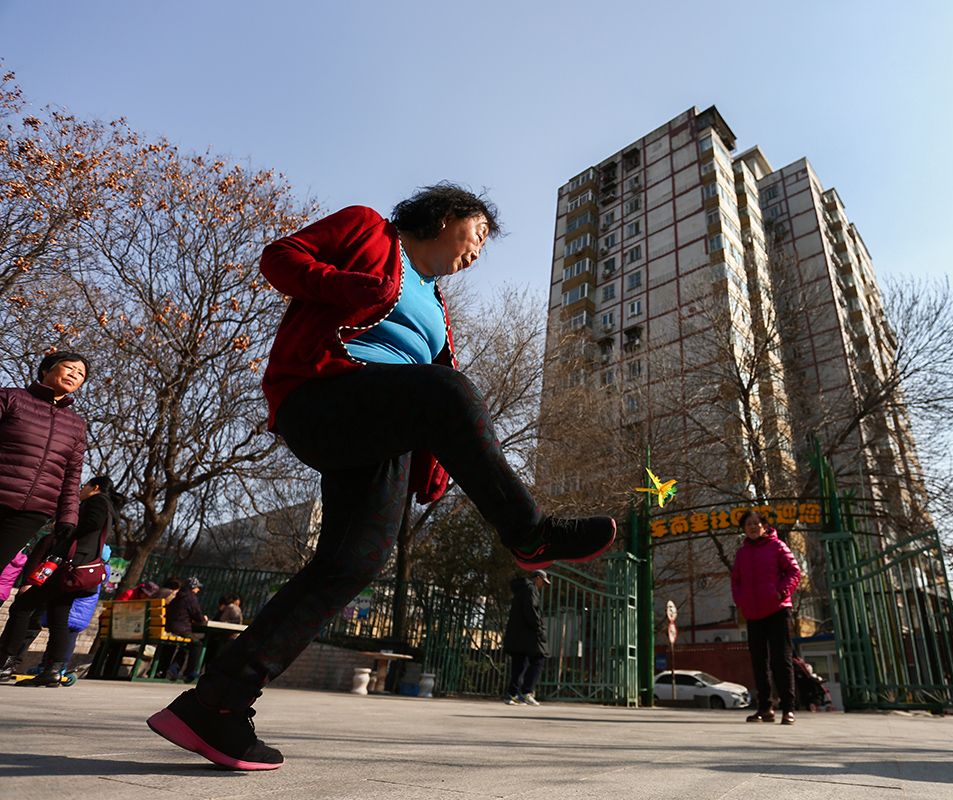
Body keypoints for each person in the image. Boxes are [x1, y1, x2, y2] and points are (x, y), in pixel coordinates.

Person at [148, 186, 616, 771]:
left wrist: (437, 464)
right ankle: (530, 533)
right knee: (451, 389)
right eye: (477, 238)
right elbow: (280, 257)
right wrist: (349, 286)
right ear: (446, 218)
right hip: (324, 392)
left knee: (352, 563)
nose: (477, 254)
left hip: (384, 428)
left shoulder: (437, 304)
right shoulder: (368, 229)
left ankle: (216, 703)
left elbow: (430, 397)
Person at [0, 475, 121, 685]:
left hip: (70, 566)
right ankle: (53, 670)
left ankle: (5, 662)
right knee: (59, 616)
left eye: (86, 486)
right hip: (79, 568)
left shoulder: (98, 502)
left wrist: (69, 528)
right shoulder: (108, 507)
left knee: (22, 606)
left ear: (96, 488)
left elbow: (91, 522)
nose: (82, 489)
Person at [0, 351, 89, 569]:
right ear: (46, 369)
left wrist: (68, 516)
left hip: (32, 512)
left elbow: (72, 474)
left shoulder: (76, 425)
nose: (74, 374)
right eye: (69, 367)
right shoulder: (11, 398)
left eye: (80, 374)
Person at [730, 510, 802, 725]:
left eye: (756, 523)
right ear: (744, 529)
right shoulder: (742, 553)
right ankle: (765, 708)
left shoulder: (777, 546)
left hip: (777, 611)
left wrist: (781, 592)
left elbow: (794, 571)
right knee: (759, 661)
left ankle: (788, 709)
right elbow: (736, 580)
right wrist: (740, 600)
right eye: (748, 524)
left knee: (781, 659)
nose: (752, 527)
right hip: (753, 613)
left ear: (764, 526)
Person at [503, 569, 550, 706]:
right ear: (537, 578)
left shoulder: (521, 590)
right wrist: (539, 628)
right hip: (528, 634)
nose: (543, 585)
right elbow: (531, 611)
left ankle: (513, 694)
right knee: (539, 658)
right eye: (543, 581)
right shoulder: (530, 589)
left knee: (519, 663)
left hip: (517, 634)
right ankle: (526, 692)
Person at [164, 577, 208, 681]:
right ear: (192, 587)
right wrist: (203, 618)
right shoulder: (190, 597)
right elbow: (198, 616)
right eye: (197, 588)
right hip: (181, 629)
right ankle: (190, 672)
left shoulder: (178, 596)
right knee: (197, 644)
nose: (198, 590)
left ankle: (174, 669)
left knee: (186, 645)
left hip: (170, 627)